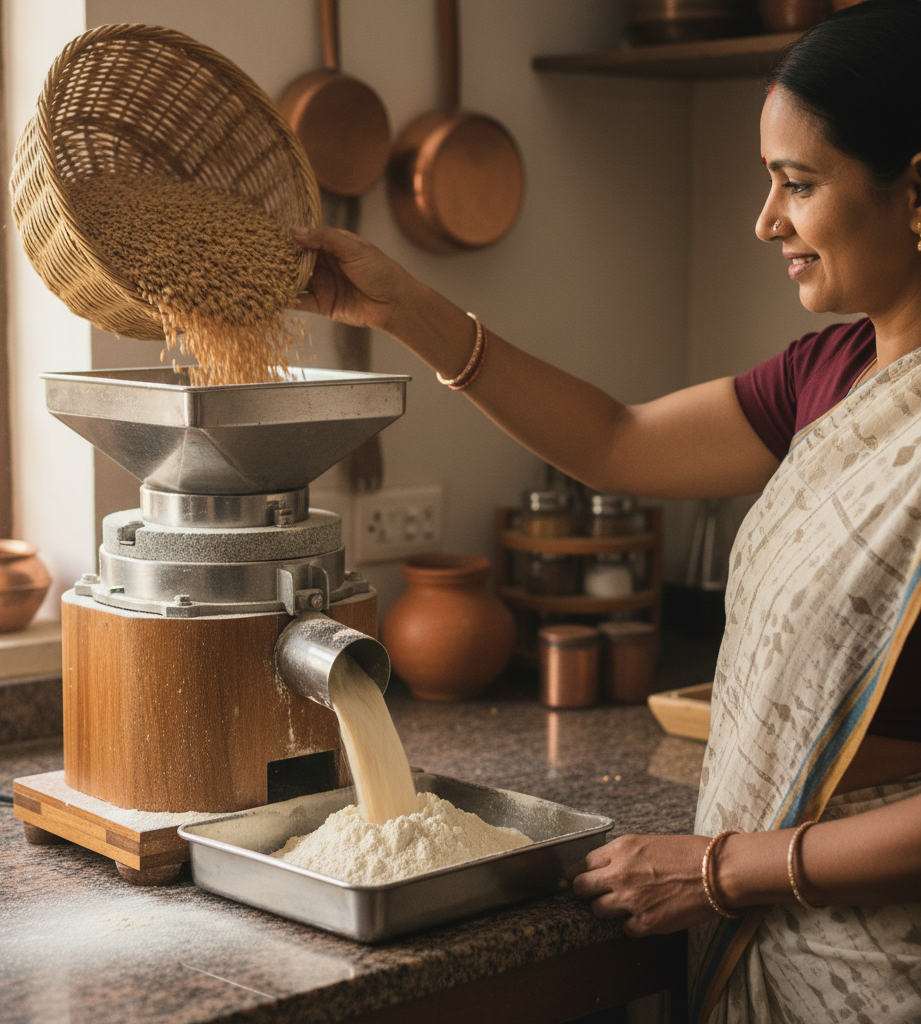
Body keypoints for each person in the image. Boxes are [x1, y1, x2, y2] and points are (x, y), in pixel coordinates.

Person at [290, 1, 921, 1020]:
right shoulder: (833, 368)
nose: (765, 221)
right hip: (775, 923)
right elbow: (614, 441)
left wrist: (721, 871)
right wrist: (401, 305)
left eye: (796, 184)